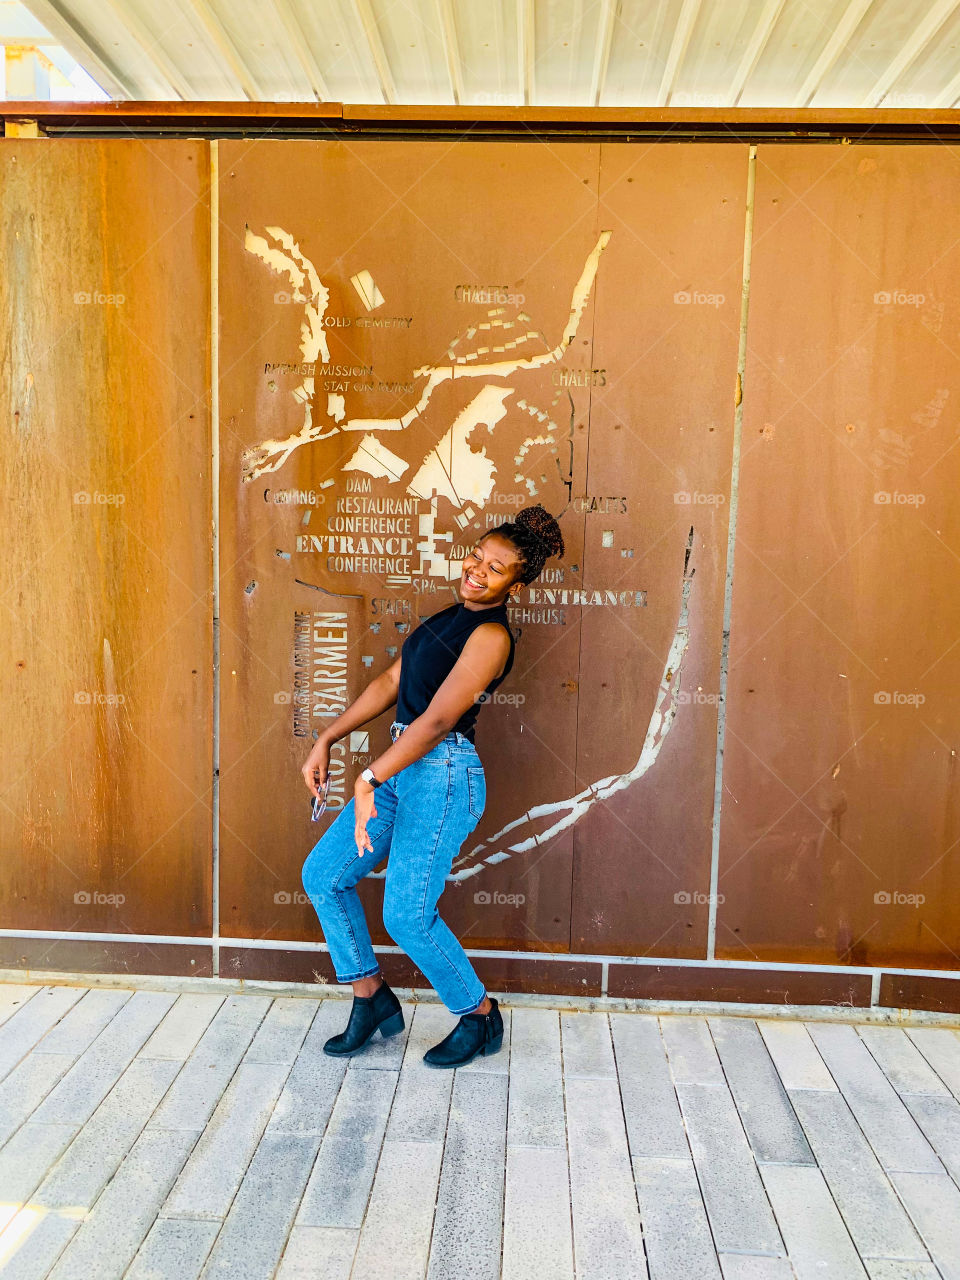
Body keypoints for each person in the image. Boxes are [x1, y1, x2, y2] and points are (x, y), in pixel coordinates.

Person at [300, 504, 565, 1068]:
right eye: (477, 556)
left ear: (515, 582)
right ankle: (370, 999)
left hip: (442, 777)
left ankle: (479, 1014)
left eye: (496, 568)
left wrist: (370, 776)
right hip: (402, 766)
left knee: (406, 914)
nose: (478, 570)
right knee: (324, 876)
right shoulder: (444, 617)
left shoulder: (490, 635)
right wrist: (328, 737)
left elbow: (439, 721)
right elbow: (392, 682)